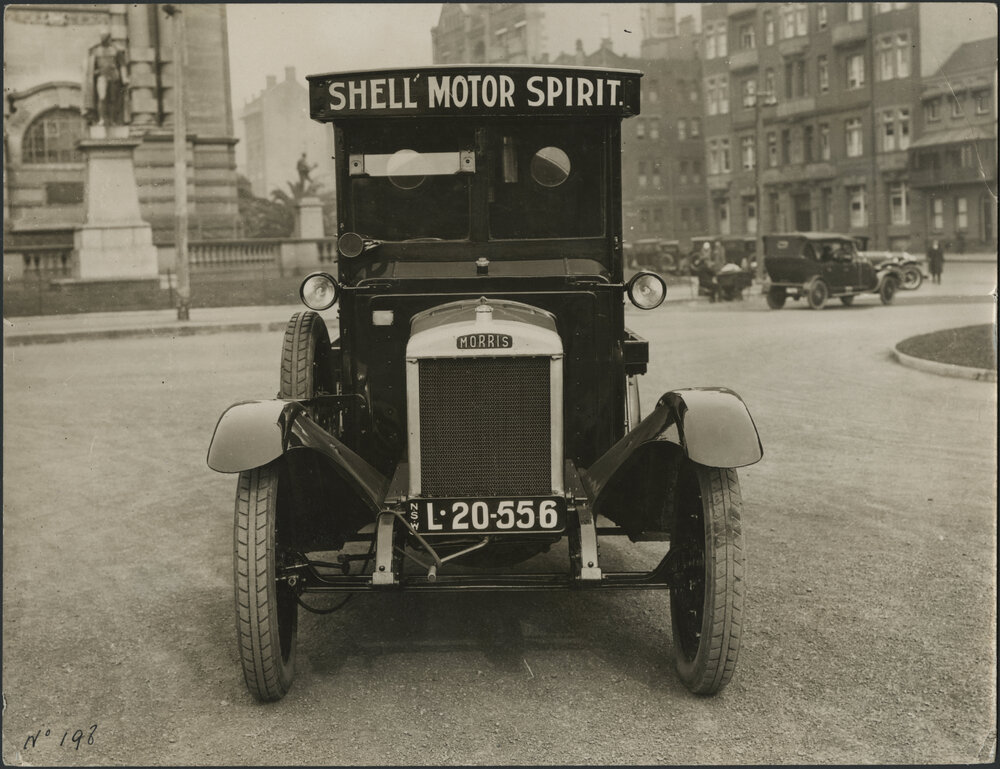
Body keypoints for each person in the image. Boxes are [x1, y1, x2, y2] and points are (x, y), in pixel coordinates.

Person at [84, 32, 129, 127]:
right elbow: (92, 65)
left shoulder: (115, 50)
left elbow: (122, 65)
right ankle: (101, 119)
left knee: (113, 99)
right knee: (102, 98)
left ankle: (113, 120)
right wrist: (95, 72)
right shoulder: (95, 50)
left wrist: (124, 78)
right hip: (102, 77)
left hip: (114, 77)